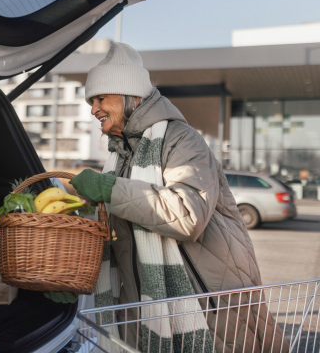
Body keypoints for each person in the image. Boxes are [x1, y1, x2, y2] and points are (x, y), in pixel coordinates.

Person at [66, 43, 283, 353]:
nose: (93, 109)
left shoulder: (182, 139)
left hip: (208, 301)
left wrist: (110, 189)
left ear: (132, 97)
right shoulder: (121, 156)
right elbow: (118, 230)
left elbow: (187, 215)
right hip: (147, 306)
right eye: (91, 101)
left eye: (100, 98)